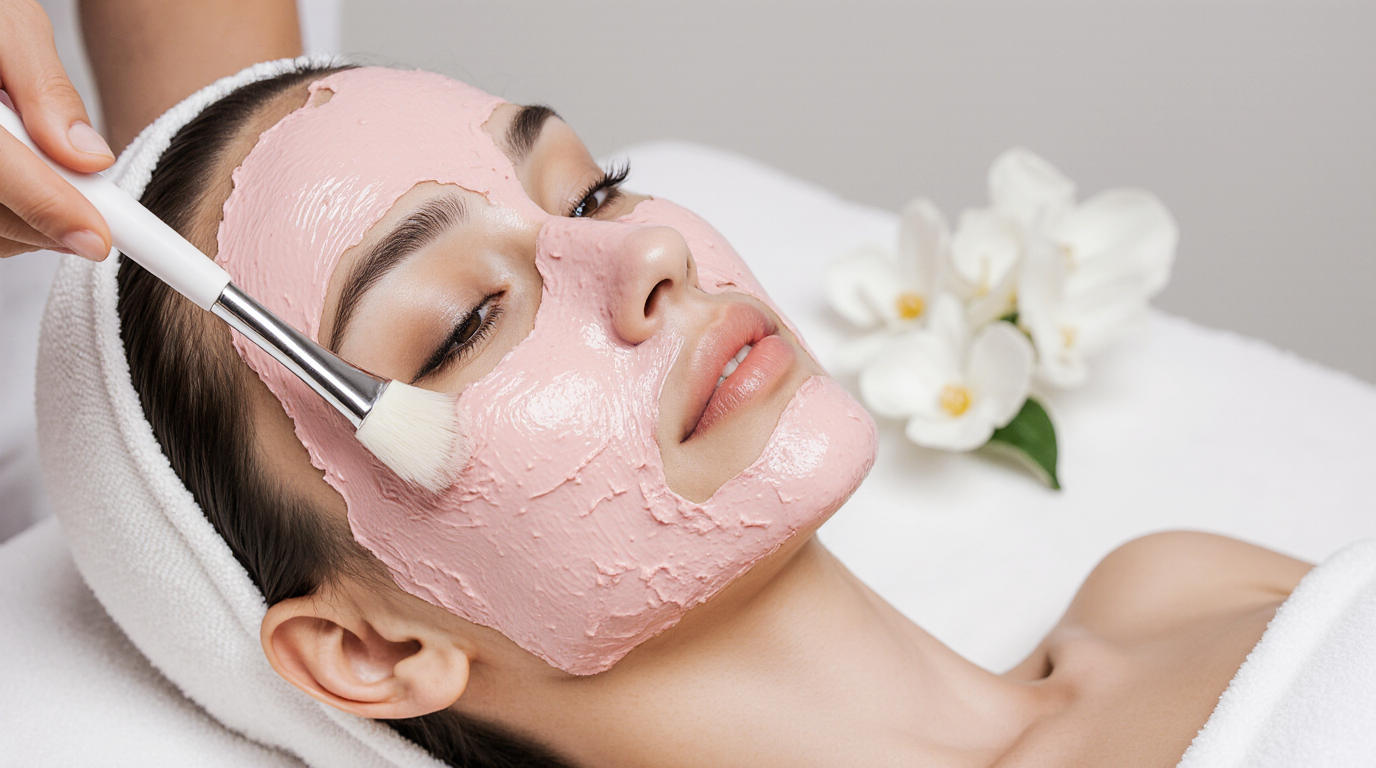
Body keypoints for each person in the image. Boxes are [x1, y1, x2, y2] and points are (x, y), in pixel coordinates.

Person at [107, 60, 1313, 768]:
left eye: (592, 191)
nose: (646, 253)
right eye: (464, 321)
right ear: (376, 651)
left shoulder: (1185, 587)